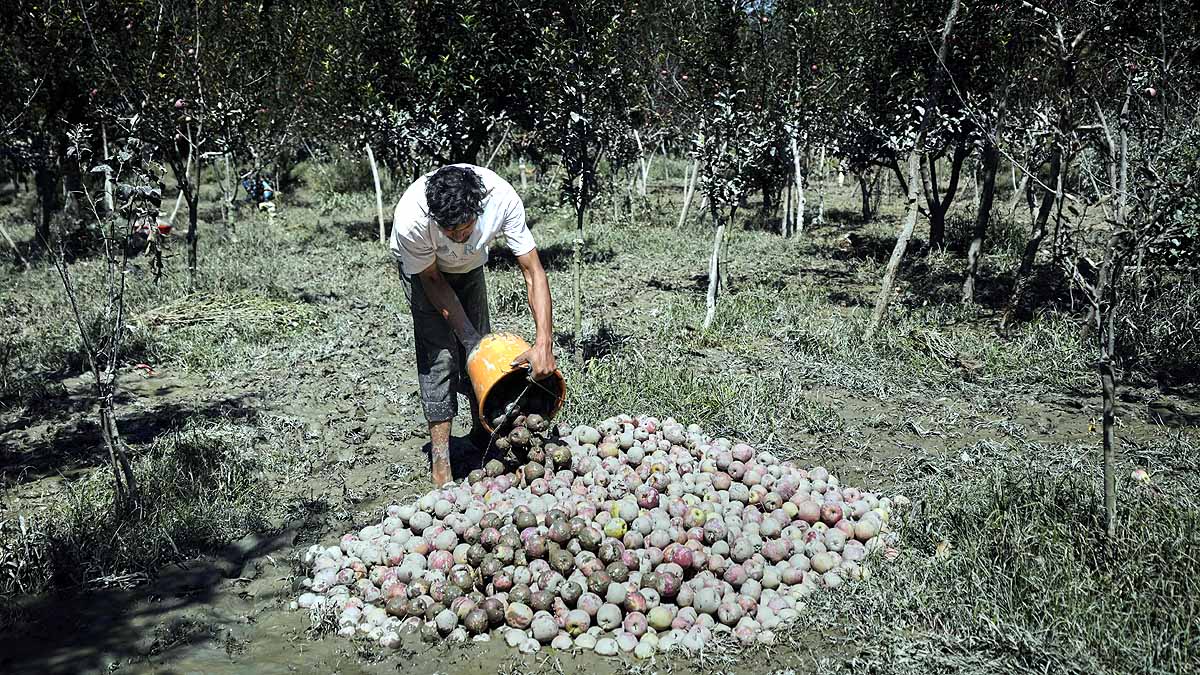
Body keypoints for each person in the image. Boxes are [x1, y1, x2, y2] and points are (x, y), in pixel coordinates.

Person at [390, 164, 556, 487]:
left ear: (479, 208)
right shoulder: (411, 220)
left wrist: (543, 343)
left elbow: (533, 270)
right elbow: (433, 280)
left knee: (482, 352)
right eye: (449, 233)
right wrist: (467, 338)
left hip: (471, 268)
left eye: (465, 230)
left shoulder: (502, 199)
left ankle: (486, 438)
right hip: (427, 271)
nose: (458, 238)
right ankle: (442, 465)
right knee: (440, 354)